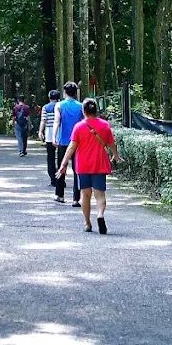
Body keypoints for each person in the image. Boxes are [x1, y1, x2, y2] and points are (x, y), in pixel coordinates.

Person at [57, 98, 120, 234]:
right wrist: (115, 155)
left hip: (83, 165)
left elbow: (72, 147)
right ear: (96, 110)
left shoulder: (78, 127)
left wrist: (63, 164)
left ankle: (87, 223)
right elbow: (111, 143)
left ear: (83, 111)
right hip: (99, 164)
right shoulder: (104, 125)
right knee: (100, 195)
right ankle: (100, 214)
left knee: (85, 195)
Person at [54, 81, 84, 207]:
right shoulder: (81, 106)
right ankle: (76, 198)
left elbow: (57, 121)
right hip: (78, 142)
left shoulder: (59, 105)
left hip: (63, 141)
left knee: (61, 167)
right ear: (76, 92)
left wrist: (54, 137)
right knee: (77, 169)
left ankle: (60, 195)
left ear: (65, 92)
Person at [37, 90, 61, 190]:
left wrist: (40, 131)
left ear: (49, 97)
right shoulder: (61, 106)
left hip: (49, 135)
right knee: (61, 158)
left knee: (50, 158)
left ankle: (53, 179)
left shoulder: (46, 107)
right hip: (60, 135)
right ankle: (61, 180)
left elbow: (43, 120)